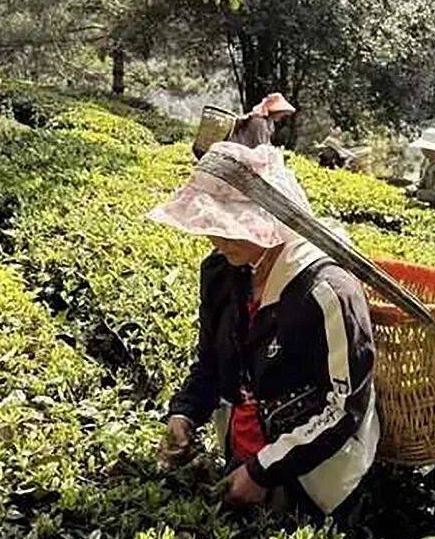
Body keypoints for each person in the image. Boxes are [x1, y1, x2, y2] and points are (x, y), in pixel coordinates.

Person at [148, 140, 379, 516]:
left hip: (312, 479)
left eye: (227, 227)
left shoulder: (327, 291)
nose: (215, 239)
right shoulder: (222, 272)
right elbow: (210, 360)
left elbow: (343, 408)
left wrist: (262, 472)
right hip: (242, 458)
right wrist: (185, 412)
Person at [228, 93, 296, 150]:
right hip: (242, 151)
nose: (282, 116)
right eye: (281, 113)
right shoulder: (259, 122)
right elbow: (260, 145)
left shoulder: (269, 123)